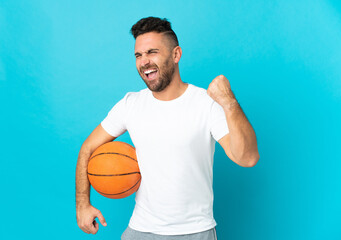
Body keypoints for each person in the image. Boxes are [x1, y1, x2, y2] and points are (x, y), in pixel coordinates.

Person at [75, 16, 260, 240]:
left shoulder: (206, 103)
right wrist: (82, 205)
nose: (144, 62)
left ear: (176, 55)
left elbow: (247, 158)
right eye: (138, 55)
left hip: (194, 232)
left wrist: (229, 102)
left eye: (152, 52)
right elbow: (87, 149)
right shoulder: (130, 104)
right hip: (140, 231)